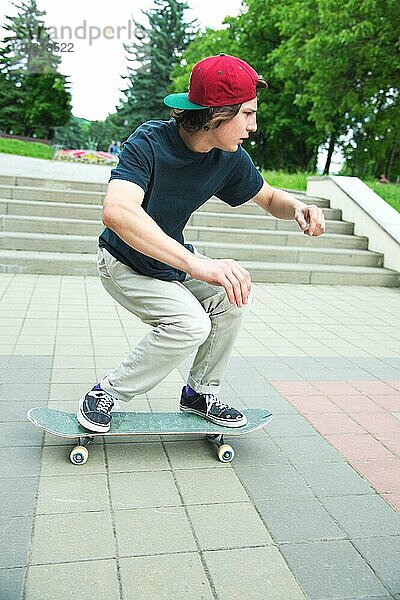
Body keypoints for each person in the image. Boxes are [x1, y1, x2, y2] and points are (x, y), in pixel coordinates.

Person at [77, 53, 325, 433]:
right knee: (190, 324)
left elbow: (270, 197)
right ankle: (107, 392)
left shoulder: (229, 156)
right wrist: (196, 265)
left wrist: (297, 206)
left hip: (168, 263)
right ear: (216, 113)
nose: (253, 126)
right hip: (123, 263)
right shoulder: (150, 142)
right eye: (247, 114)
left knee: (231, 294)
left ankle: (199, 393)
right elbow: (117, 212)